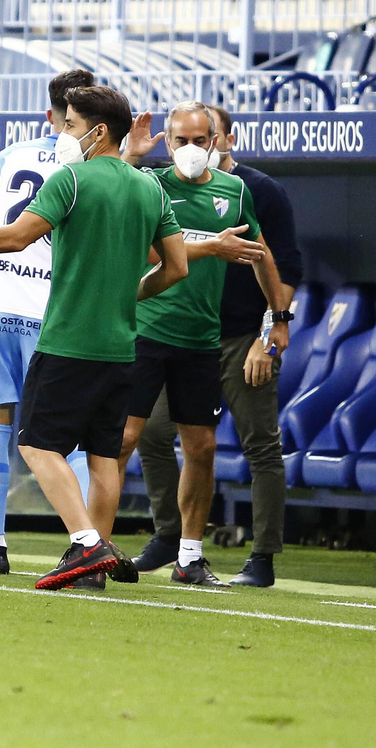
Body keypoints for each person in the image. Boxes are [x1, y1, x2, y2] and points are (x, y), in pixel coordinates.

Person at [0, 85, 187, 591]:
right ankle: (93, 568)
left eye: (71, 126)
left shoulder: (71, 179)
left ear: (98, 132)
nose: (63, 134)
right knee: (103, 457)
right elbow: (177, 267)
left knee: (36, 445)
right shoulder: (150, 188)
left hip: (68, 341)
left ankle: (86, 542)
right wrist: (130, 296)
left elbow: (16, 236)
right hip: (122, 344)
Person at [121, 103, 294, 587]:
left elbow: (262, 255)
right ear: (168, 141)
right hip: (147, 330)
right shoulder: (150, 184)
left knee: (202, 447)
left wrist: (277, 319)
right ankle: (92, 544)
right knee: (127, 438)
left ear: (216, 141)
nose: (192, 149)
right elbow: (145, 249)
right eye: (181, 140)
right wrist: (131, 156)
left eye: (201, 140)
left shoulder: (236, 191)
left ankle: (191, 557)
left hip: (204, 337)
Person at [0, 69, 98, 576]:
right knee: (69, 437)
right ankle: (86, 544)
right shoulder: (91, 168)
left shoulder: (12, 156)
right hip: (53, 315)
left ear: (47, 113)